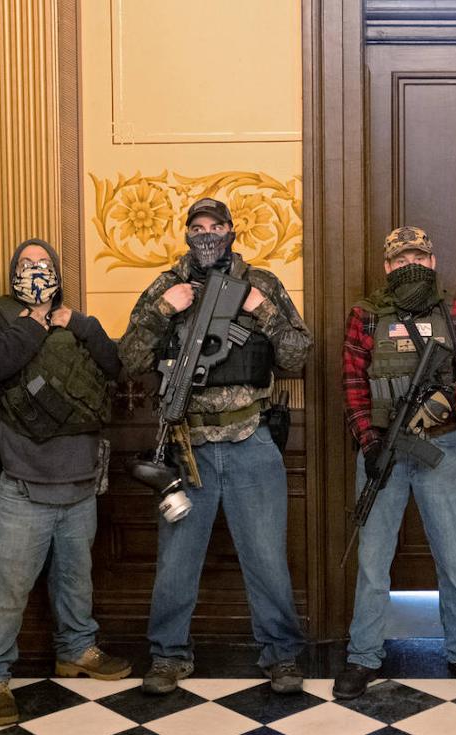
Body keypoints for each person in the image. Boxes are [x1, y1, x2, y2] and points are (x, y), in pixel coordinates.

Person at [119, 197, 312, 694]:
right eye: (197, 227)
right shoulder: (167, 284)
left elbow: (298, 354)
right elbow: (129, 358)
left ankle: (282, 656)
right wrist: (166, 308)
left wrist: (259, 307)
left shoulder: (261, 282)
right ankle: (168, 656)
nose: (207, 234)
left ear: (231, 230)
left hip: (251, 440)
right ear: (187, 233)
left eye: (216, 226)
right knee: (176, 562)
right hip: (189, 447)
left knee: (267, 558)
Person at [0, 238, 130, 725]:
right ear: (13, 271)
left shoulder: (76, 320)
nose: (36, 270)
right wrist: (31, 325)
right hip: (19, 483)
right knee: (5, 587)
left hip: (80, 479)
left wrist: (83, 325)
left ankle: (77, 650)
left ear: (58, 272)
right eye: (27, 263)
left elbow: (117, 367)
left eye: (44, 263)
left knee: (76, 578)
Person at [333, 226, 456, 698]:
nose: (411, 266)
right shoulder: (366, 315)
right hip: (383, 448)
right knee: (372, 560)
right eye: (401, 259)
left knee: (453, 559)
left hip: (440, 448)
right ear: (387, 267)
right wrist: (369, 443)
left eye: (419, 258)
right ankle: (363, 655)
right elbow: (354, 385)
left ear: (432, 262)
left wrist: (447, 399)